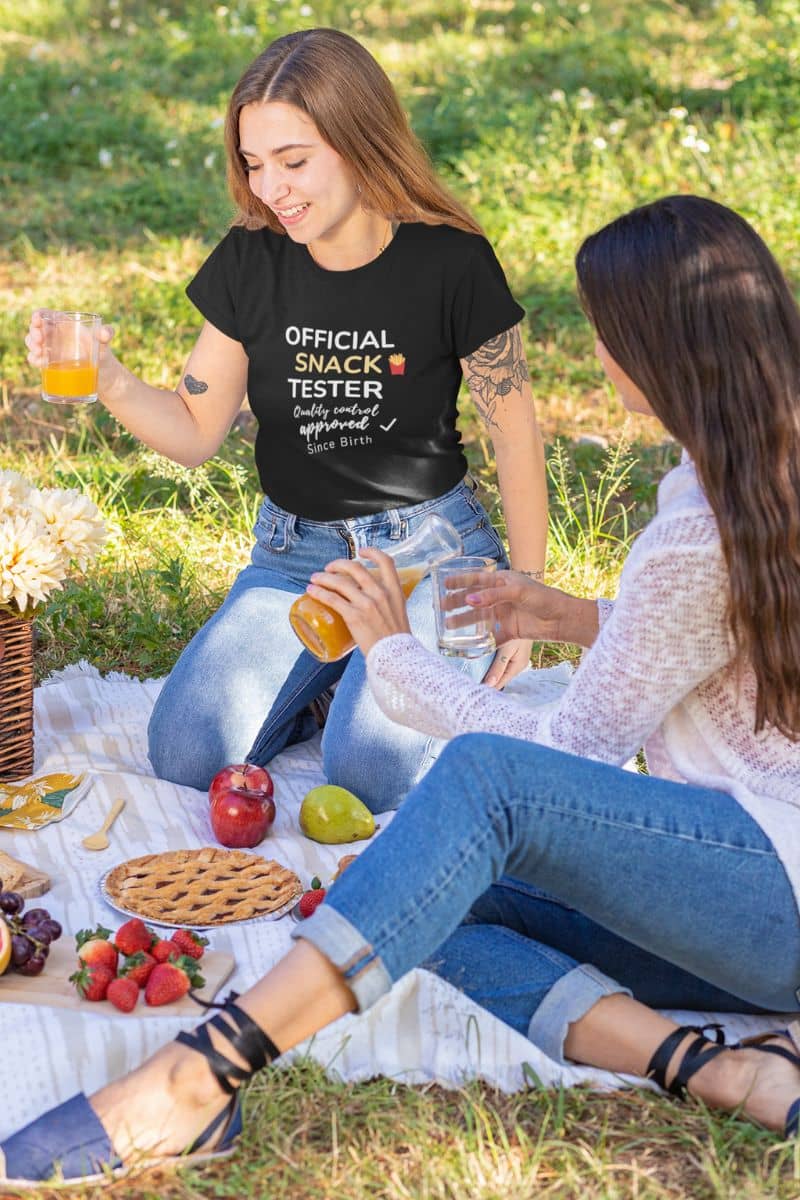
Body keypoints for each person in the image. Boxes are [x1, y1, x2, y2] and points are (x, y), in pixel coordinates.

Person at [8, 193, 800, 1186]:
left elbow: (557, 755)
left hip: (774, 896)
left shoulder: (699, 523)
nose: (593, 353)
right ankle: (712, 1072)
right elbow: (735, 628)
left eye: (600, 331)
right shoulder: (752, 461)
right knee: (414, 891)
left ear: (650, 346)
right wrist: (574, 617)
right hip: (748, 888)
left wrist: (390, 652)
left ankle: (197, 1077)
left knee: (477, 785)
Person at [24, 28, 547, 813]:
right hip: (295, 556)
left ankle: (377, 686)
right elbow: (198, 430)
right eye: (254, 163)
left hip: (431, 555)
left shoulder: (451, 261)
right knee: (186, 752)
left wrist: (524, 596)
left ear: (360, 140)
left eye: (294, 161)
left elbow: (515, 434)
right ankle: (332, 677)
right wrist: (109, 379)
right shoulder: (252, 258)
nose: (272, 188)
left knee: (372, 773)